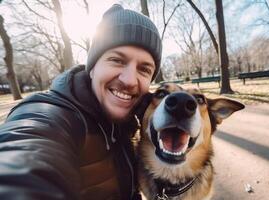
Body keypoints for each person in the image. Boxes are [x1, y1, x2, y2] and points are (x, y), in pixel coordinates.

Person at [0, 4, 162, 200]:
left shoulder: (130, 123)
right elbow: (24, 152)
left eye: (144, 69)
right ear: (92, 68)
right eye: (117, 60)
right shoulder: (53, 114)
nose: (129, 80)